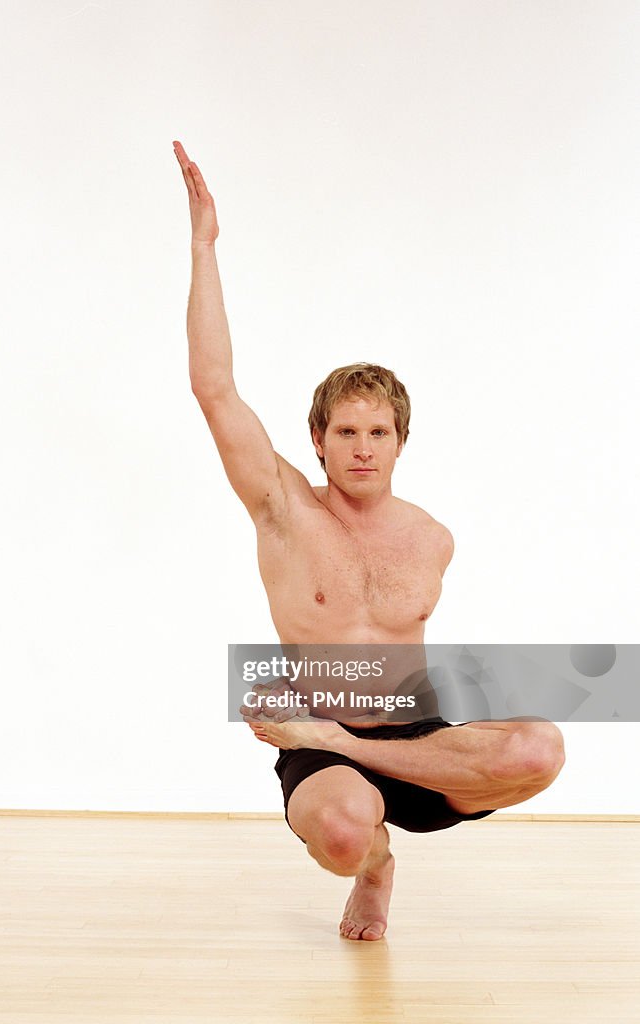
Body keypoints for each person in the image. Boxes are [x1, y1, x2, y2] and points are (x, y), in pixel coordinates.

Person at [173, 140, 565, 941]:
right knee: (347, 832)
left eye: (377, 431)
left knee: (540, 749)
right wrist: (204, 247)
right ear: (316, 439)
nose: (360, 446)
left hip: (412, 737)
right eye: (344, 430)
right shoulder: (283, 509)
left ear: (399, 440)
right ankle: (376, 865)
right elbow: (214, 387)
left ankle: (350, 760)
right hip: (318, 745)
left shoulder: (431, 538)